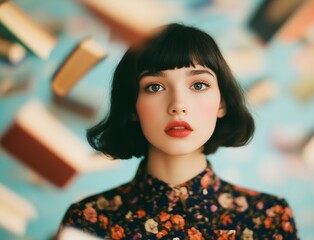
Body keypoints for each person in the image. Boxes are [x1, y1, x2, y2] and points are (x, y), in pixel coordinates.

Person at [59, 23, 299, 239]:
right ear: (132, 106)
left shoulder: (269, 218)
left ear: (222, 103)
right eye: (155, 86)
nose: (178, 105)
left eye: (198, 85)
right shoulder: (86, 222)